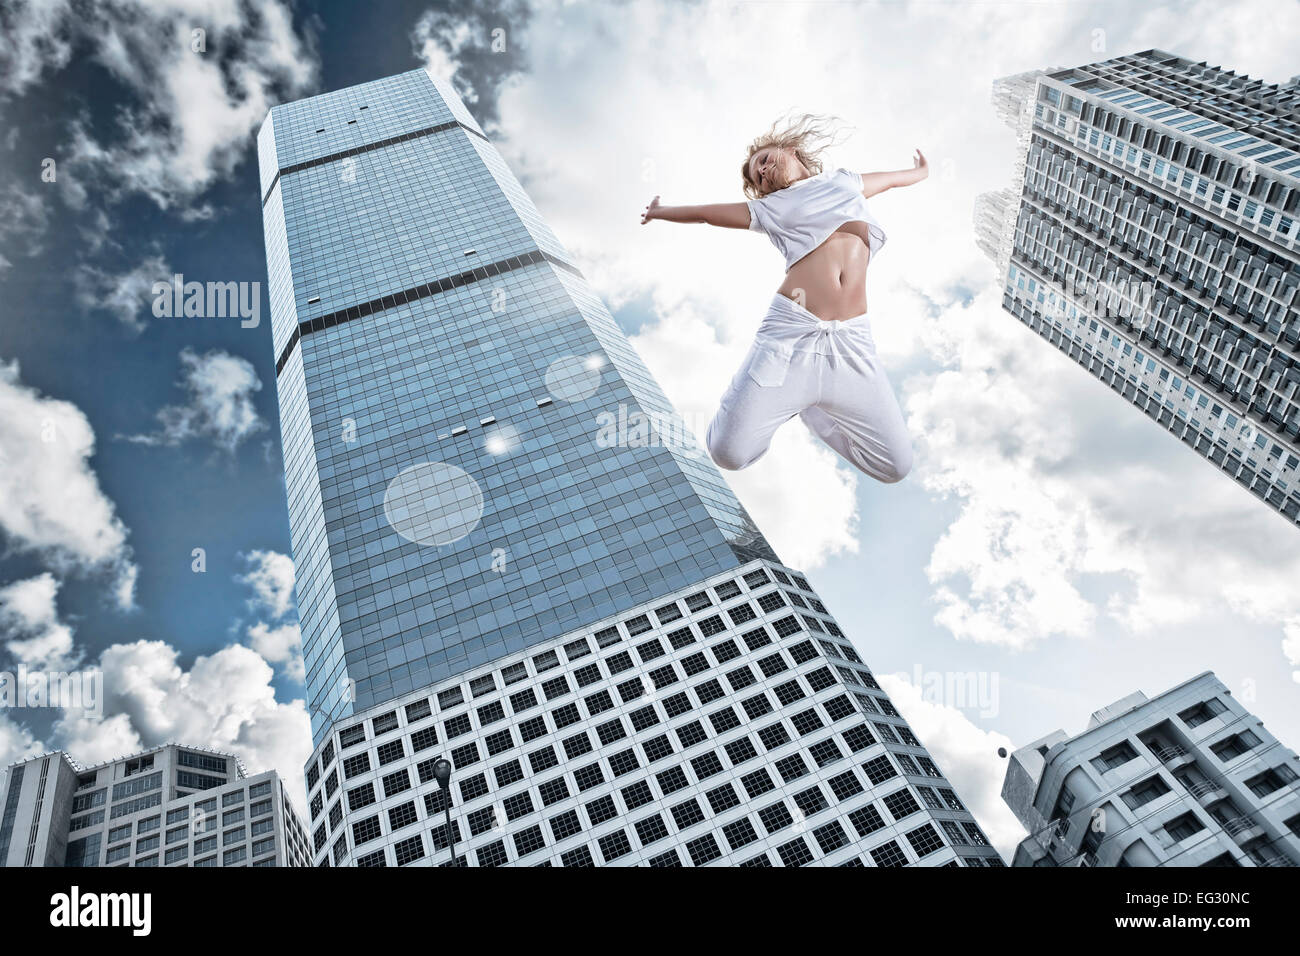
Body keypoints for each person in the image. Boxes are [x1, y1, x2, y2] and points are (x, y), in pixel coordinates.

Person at [641, 113, 927, 483]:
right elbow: (706, 215)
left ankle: (815, 410)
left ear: (790, 150)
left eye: (762, 161)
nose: (760, 173)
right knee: (727, 453)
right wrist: (661, 212)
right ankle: (795, 398)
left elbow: (889, 182)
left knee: (895, 467)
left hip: (852, 343)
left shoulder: (844, 181)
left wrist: (919, 171)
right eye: (756, 178)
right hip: (791, 334)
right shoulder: (770, 210)